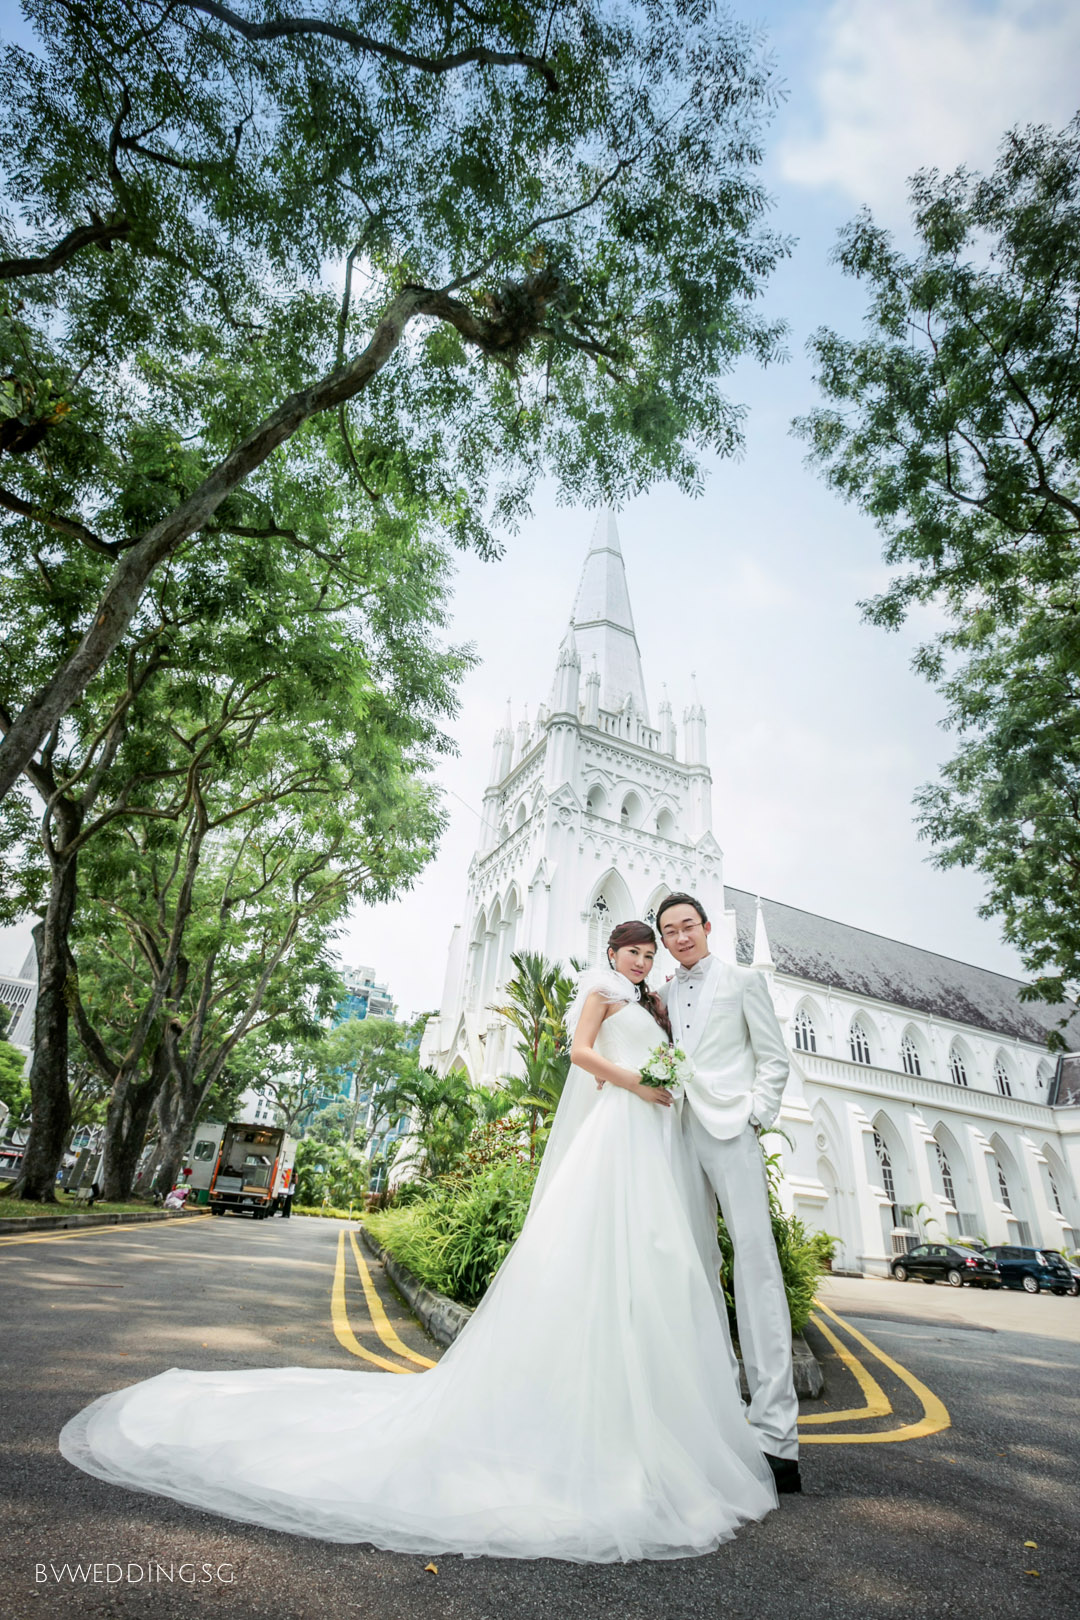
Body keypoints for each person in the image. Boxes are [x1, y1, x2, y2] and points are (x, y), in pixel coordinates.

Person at [59, 921, 776, 1561]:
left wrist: (665, 1087)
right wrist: (638, 1083)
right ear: (612, 951)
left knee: (655, 1266)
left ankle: (647, 1416)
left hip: (654, 1141)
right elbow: (581, 1056)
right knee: (601, 1259)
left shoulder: (654, 1000)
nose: (646, 956)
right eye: (636, 948)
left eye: (653, 948)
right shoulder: (603, 989)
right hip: (622, 1133)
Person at [655, 892, 801, 1493]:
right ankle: (717, 1417)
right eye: (670, 930)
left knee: (757, 1268)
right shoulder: (661, 994)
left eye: (688, 925)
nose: (681, 936)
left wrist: (756, 1117)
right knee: (696, 1268)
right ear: (663, 940)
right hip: (677, 1134)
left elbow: (774, 1058)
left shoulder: (743, 982)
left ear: (707, 928)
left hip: (731, 1130)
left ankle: (777, 1437)